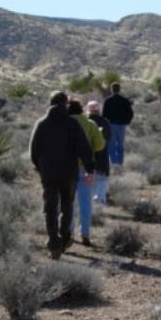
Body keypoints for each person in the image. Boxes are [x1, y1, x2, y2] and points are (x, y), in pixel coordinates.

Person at [29, 91, 95, 258]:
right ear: (65, 103)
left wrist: (40, 167)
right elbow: (84, 147)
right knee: (67, 205)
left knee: (50, 208)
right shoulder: (72, 124)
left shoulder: (41, 124)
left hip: (49, 173)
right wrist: (89, 168)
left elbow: (34, 151)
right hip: (69, 173)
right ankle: (65, 237)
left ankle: (53, 243)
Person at [66, 99, 106, 246]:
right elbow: (100, 145)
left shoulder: (63, 124)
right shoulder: (90, 124)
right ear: (81, 110)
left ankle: (68, 232)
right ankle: (85, 234)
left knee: (67, 202)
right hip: (86, 168)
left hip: (66, 170)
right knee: (85, 203)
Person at [102, 82, 134, 168]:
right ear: (119, 89)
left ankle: (114, 163)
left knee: (111, 145)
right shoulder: (125, 100)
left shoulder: (108, 101)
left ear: (111, 90)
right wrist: (127, 121)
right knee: (120, 144)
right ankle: (120, 162)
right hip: (121, 125)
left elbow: (104, 115)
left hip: (111, 125)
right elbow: (130, 113)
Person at [85, 100, 112, 205]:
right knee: (101, 178)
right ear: (98, 110)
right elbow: (108, 137)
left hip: (87, 155)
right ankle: (100, 200)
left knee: (88, 179)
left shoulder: (85, 122)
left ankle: (91, 202)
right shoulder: (104, 122)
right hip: (101, 154)